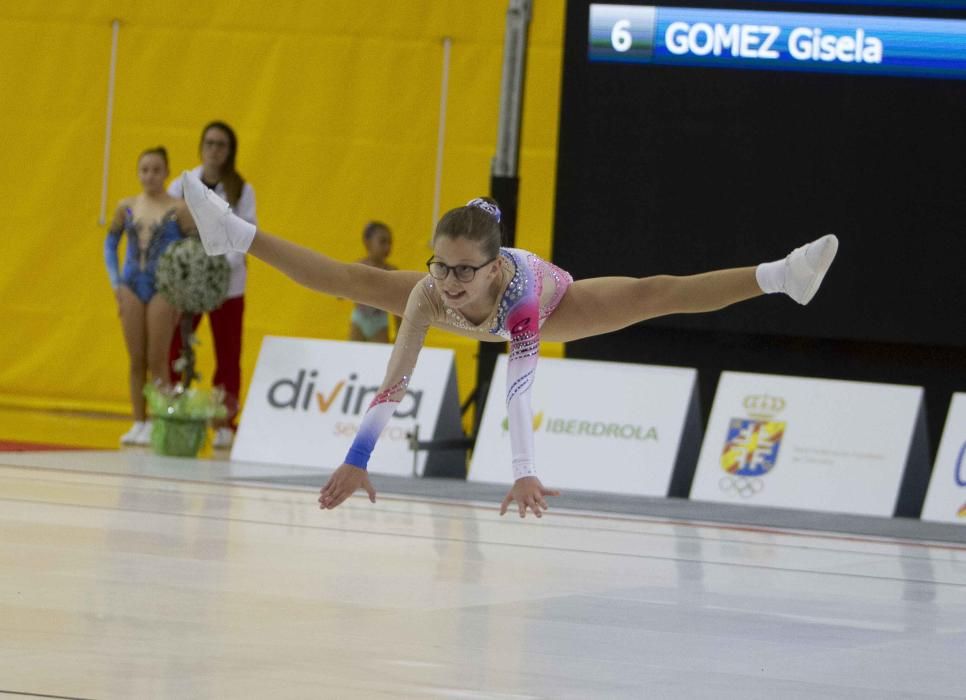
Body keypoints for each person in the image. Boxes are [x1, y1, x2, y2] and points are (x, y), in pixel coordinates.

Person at [180, 171, 838, 518]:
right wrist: (359, 455)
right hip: (492, 313)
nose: (450, 282)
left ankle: (783, 276)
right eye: (440, 266)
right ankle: (233, 233)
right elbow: (394, 380)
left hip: (553, 307)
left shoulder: (517, 296)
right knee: (356, 280)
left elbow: (519, 392)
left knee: (653, 292)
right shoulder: (431, 291)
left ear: (494, 267)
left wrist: (524, 469)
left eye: (464, 271)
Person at [167, 121, 256, 449]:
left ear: (230, 150)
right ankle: (175, 409)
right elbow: (169, 228)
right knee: (178, 347)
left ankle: (224, 421)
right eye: (210, 143)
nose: (215, 149)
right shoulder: (182, 185)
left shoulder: (241, 189)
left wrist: (215, 265)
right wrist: (192, 264)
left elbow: (247, 235)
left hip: (228, 285)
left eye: (221, 144)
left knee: (228, 353)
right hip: (188, 283)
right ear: (201, 146)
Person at [104, 148, 195, 445]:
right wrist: (116, 282)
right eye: (144, 170)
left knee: (158, 359)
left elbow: (194, 249)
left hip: (163, 288)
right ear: (138, 173)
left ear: (167, 172)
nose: (150, 176)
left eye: (156, 170)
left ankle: (161, 421)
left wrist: (181, 288)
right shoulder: (126, 207)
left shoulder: (179, 208)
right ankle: (138, 421)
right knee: (136, 359)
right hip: (131, 284)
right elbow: (110, 244)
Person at [349, 221, 398, 343]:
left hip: (379, 322)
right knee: (352, 356)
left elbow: (398, 305)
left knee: (379, 359)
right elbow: (342, 288)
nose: (387, 247)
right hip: (359, 319)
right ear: (368, 242)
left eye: (389, 243)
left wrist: (399, 332)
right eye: (382, 242)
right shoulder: (358, 267)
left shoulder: (392, 272)